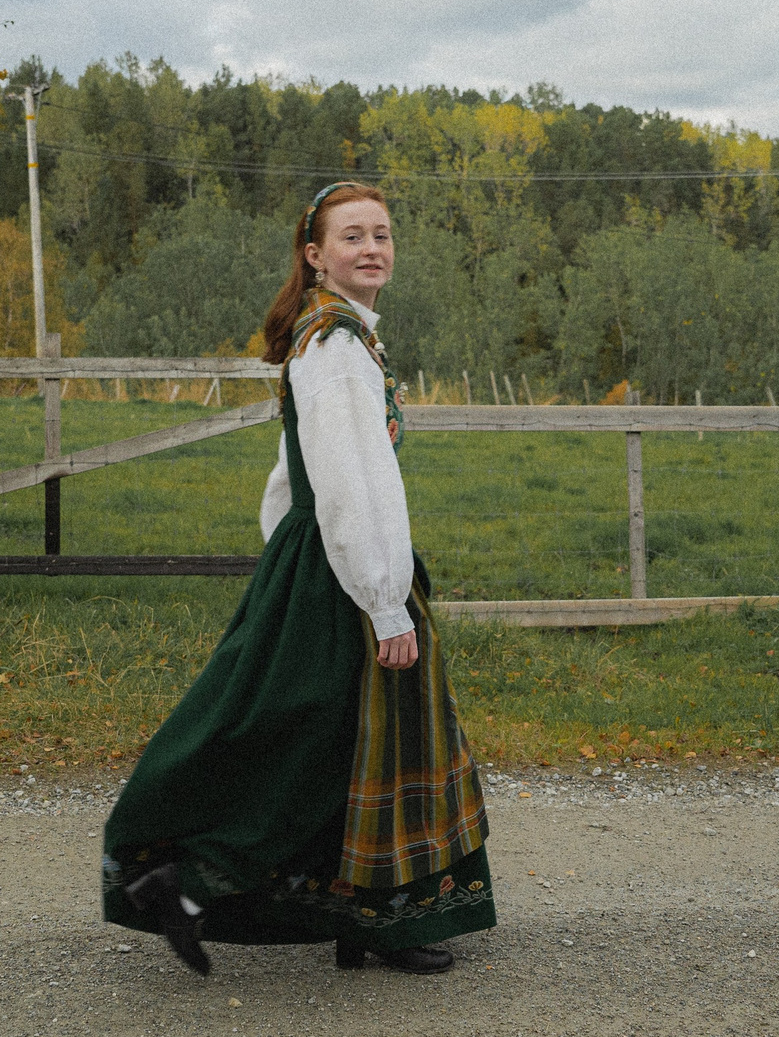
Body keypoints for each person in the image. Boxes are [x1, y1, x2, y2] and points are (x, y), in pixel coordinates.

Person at [101, 180, 495, 975]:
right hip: (344, 570)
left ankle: (358, 918)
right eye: (353, 236)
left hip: (321, 560)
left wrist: (290, 546)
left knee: (334, 739)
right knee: (332, 738)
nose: (373, 248)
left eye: (382, 234)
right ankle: (187, 881)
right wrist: (384, 603)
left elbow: (293, 474)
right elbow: (353, 482)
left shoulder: (338, 338)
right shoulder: (337, 347)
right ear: (315, 256)